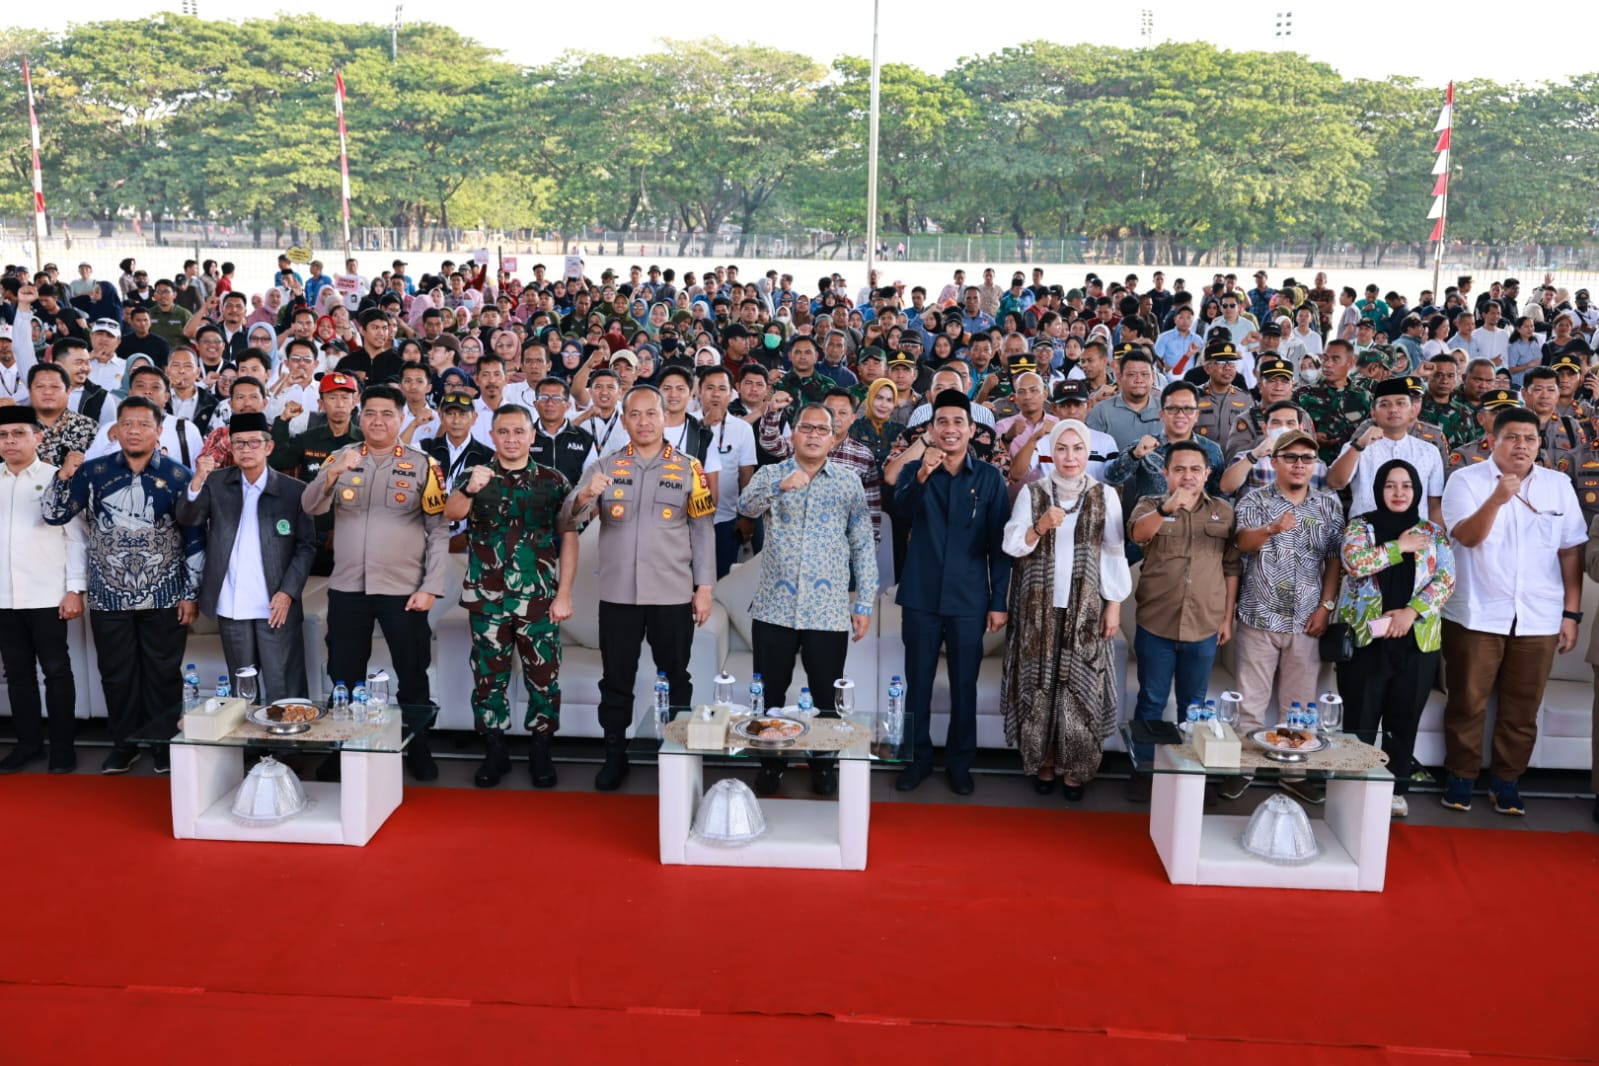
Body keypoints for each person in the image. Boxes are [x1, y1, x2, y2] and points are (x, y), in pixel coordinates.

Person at [560, 385, 716, 790]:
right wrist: (583, 496)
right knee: (615, 681)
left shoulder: (689, 468)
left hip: (672, 594)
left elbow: (702, 532)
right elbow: (568, 519)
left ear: (666, 417)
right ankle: (615, 756)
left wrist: (704, 588)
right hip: (618, 597)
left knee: (676, 678)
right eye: (635, 414)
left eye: (651, 414)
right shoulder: (605, 465)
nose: (643, 421)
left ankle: (676, 757)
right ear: (625, 419)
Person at [43, 396, 203, 774]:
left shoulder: (179, 476)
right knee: (116, 675)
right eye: (127, 424)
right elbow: (54, 515)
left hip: (164, 593)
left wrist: (190, 593)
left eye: (143, 424)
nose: (134, 430)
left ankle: (164, 744)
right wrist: (62, 476)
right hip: (108, 594)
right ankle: (124, 744)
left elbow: (195, 536)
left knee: (163, 675)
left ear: (158, 431)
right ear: (115, 430)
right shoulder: (93, 473)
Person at [1439, 407, 1585, 816]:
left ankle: (1506, 781)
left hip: (1539, 615)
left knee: (1523, 707)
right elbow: (1466, 537)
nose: (1522, 445)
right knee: (1467, 702)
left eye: (1530, 439)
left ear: (1540, 443)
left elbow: (1570, 551)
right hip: (1476, 612)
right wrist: (1497, 499)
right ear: (1493, 440)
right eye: (1513, 437)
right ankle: (1462, 776)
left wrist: (1571, 615)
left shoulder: (1558, 485)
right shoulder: (1465, 480)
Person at [301, 384, 450, 780]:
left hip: (404, 590)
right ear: (359, 416)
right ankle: (343, 746)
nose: (378, 421)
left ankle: (418, 746)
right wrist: (332, 474)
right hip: (349, 588)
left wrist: (430, 586)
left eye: (387, 414)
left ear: (401, 419)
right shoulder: (341, 457)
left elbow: (439, 531)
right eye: (370, 413)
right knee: (344, 674)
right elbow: (310, 507)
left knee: (412, 674)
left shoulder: (423, 465)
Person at [736, 402, 877, 797]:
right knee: (770, 695)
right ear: (792, 434)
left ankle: (823, 765)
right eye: (806, 427)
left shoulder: (848, 482)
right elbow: (745, 509)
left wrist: (864, 603)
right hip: (774, 609)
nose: (813, 435)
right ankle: (771, 764)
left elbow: (863, 544)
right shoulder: (771, 474)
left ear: (834, 438)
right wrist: (777, 487)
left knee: (826, 696)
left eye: (822, 429)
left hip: (828, 611)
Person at [443, 404, 578, 789]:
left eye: (519, 431)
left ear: (532, 436)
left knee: (543, 678)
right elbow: (448, 513)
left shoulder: (553, 480)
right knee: (488, 679)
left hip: (539, 599)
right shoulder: (475, 476)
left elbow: (569, 537)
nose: (512, 439)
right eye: (504, 432)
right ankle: (495, 753)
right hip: (487, 601)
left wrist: (564, 593)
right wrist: (469, 488)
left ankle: (540, 753)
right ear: (492, 435)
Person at [1001, 419, 1130, 799]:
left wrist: (1115, 605)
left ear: (1087, 452)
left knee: (1078, 687)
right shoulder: (1034, 492)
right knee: (1039, 685)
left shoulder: (1105, 494)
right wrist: (1040, 526)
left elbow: (1113, 552)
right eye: (1062, 448)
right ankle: (1043, 761)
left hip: (1086, 609)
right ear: (1051, 451)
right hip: (1036, 608)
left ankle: (1075, 768)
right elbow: (1013, 544)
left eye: (1077, 449)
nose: (1070, 456)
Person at [891, 390, 1011, 795]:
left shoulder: (991, 478)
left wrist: (998, 602)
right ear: (930, 430)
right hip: (922, 596)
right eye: (942, 422)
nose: (950, 429)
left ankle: (960, 763)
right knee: (917, 684)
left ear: (972, 430)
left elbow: (1000, 546)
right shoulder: (915, 472)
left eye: (958, 422)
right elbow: (901, 511)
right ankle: (915, 759)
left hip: (968, 599)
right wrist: (922, 474)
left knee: (964, 686)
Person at [1334, 459, 1455, 819]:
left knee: (1404, 718)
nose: (1399, 492)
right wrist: (1397, 547)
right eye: (1390, 485)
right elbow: (1354, 563)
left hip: (1415, 640)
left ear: (1416, 490)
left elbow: (1446, 580)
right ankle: (1353, 784)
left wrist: (1411, 612)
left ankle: (1396, 788)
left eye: (1406, 485)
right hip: (1366, 641)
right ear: (1378, 490)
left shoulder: (1433, 532)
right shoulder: (1361, 526)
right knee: (1360, 718)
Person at [1230, 429, 1346, 802]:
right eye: (1291, 458)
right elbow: (1240, 544)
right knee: (1251, 703)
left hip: (1307, 620)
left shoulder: (1329, 505)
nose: (1299, 465)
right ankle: (1243, 769)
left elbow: (1333, 561)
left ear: (1315, 465)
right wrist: (1271, 528)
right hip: (1258, 615)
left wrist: (1326, 607)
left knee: (1299, 705)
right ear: (1275, 462)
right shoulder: (1254, 499)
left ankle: (1293, 773)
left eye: (1306, 459)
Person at [1125, 440, 1241, 798]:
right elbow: (1138, 534)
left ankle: (1189, 777)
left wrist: (1226, 618)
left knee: (1196, 705)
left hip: (1204, 624)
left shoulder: (1223, 511)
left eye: (1195, 469)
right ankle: (1146, 773)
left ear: (1207, 473)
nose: (1187, 476)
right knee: (1152, 701)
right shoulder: (1148, 505)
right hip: (1157, 623)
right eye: (1179, 469)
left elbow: (1231, 565)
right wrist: (1166, 507)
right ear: (1166, 472)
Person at [175, 413, 317, 703]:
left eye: (254, 442)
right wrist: (197, 479)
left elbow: (306, 547)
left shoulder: (293, 491)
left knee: (283, 683)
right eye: (238, 443)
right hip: (231, 601)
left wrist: (288, 593)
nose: (246, 449)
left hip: (275, 602)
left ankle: (284, 746)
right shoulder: (216, 483)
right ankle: (249, 748)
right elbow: (189, 518)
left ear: (269, 447)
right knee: (242, 686)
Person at [0, 406, 85, 773]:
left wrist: (74, 589)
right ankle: (28, 745)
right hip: (4, 598)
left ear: (38, 437)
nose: (9, 441)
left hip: (48, 595)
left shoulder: (57, 478)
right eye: (3, 435)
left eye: (18, 433)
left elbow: (77, 540)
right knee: (17, 676)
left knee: (56, 672)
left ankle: (63, 748)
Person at [1327, 377, 1445, 524]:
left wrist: (1438, 540)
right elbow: (1334, 482)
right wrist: (1358, 446)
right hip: (1366, 536)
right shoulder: (1357, 447)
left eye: (1401, 403)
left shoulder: (1429, 451)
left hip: (1415, 537)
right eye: (1385, 404)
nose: (1393, 409)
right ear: (1373, 413)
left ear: (1412, 411)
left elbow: (1434, 505)